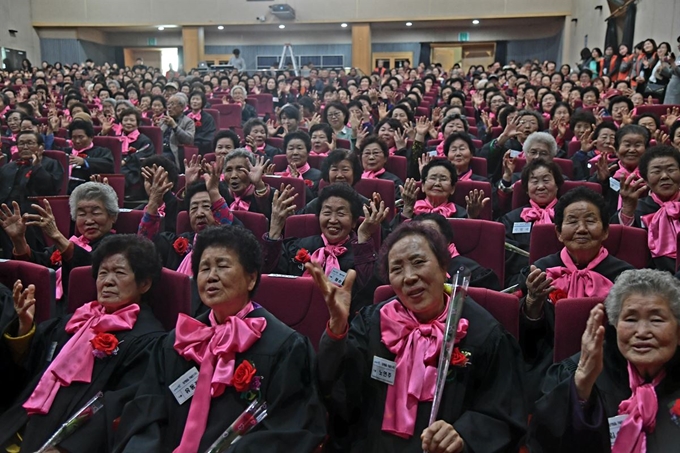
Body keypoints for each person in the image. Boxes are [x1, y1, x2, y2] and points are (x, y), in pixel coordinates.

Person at [313, 221, 526, 451]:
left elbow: (502, 412)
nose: (409, 277)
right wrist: (336, 329)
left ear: (443, 265)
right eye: (397, 269)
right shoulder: (371, 323)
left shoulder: (483, 332)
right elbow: (339, 389)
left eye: (418, 262)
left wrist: (462, 434)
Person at [113, 226, 327, 451]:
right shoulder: (179, 341)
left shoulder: (285, 346)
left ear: (251, 278)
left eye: (222, 266)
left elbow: (289, 428)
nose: (211, 276)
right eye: (204, 268)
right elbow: (147, 411)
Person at [0, 234, 165, 452]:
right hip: (19, 424)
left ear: (144, 284)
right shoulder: (74, 321)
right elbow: (28, 372)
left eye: (119, 272)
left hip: (63, 442)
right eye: (103, 273)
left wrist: (66, 448)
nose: (107, 281)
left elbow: (121, 407)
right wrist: (24, 327)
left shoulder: (148, 340)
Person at [528, 268, 680, 452]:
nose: (642, 332)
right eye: (630, 320)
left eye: (657, 320)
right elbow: (542, 441)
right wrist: (581, 389)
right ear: (615, 326)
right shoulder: (579, 371)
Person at [519, 187, 634, 406]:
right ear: (559, 232)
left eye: (590, 221)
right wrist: (533, 305)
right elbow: (529, 342)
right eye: (572, 221)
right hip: (547, 363)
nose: (581, 229)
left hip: (609, 366)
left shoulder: (626, 277)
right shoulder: (539, 271)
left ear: (605, 231)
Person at [263, 183, 385, 310]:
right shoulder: (298, 246)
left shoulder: (363, 255)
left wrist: (363, 238)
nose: (332, 220)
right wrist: (275, 229)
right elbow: (270, 277)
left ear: (354, 221)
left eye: (341, 214)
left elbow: (369, 298)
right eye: (327, 212)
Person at [0, 182, 119, 302]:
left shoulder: (117, 246)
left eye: (96, 213)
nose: (88, 221)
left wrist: (56, 235)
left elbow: (89, 270)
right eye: (81, 214)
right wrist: (18, 240)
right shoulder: (74, 242)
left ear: (112, 216)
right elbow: (38, 268)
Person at [499, 160, 566, 288]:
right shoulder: (511, 219)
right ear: (526, 189)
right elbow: (506, 255)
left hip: (564, 276)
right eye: (534, 181)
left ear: (557, 185)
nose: (540, 186)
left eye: (546, 180)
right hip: (522, 279)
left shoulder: (569, 216)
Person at [614, 145, 680, 273]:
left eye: (671, 170)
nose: (665, 176)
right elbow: (623, 249)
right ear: (646, 179)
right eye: (656, 171)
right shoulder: (637, 208)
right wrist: (627, 208)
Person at [413, 213, 501, 290]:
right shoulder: (405, 271)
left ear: (447, 241)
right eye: (418, 235)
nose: (423, 240)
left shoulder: (472, 272)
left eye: (430, 234)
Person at [399, 160, 489, 221]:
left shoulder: (461, 214)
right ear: (423, 185)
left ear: (452, 189)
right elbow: (395, 237)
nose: (437, 183)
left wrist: (472, 217)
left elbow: (467, 240)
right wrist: (407, 208)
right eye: (433, 178)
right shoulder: (410, 208)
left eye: (443, 179)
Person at [65, 119, 114, 193]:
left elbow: (108, 164)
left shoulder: (101, 151)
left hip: (89, 190)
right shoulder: (66, 152)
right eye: (74, 137)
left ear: (91, 137)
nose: (77, 141)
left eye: (81, 137)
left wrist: (84, 162)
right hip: (66, 189)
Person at [116, 108, 155, 199]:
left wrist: (126, 161)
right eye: (125, 120)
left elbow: (144, 155)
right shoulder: (117, 139)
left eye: (132, 120)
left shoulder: (144, 140)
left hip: (135, 169)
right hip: (117, 165)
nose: (128, 123)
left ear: (137, 123)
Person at [274, 130, 323, 197]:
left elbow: (313, 202)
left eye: (299, 148)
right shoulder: (279, 176)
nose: (295, 153)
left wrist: (298, 180)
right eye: (291, 148)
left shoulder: (318, 176)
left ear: (308, 152)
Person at [358, 135, 404, 199]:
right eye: (367, 153)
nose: (371, 157)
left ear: (385, 158)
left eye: (376, 153)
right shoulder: (355, 179)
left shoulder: (394, 182)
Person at [158, 94, 195, 171]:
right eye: (168, 104)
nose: (169, 107)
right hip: (159, 150)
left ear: (181, 107)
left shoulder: (188, 122)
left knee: (163, 159)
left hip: (173, 152)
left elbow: (189, 140)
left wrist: (174, 126)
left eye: (172, 104)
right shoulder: (163, 120)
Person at [188, 90, 216, 156]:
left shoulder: (208, 118)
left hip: (201, 145)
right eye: (193, 99)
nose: (195, 101)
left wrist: (191, 140)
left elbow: (207, 135)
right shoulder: (184, 115)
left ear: (202, 102)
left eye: (197, 99)